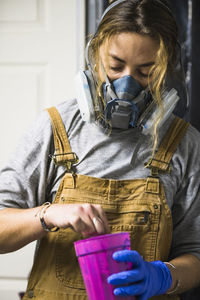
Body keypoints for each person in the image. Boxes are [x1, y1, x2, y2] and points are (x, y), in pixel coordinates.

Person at [0, 0, 200, 299]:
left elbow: (194, 253)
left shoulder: (185, 143)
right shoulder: (55, 128)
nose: (126, 85)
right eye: (115, 66)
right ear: (95, 58)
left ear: (166, 71)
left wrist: (162, 277)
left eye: (146, 72)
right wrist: (48, 215)